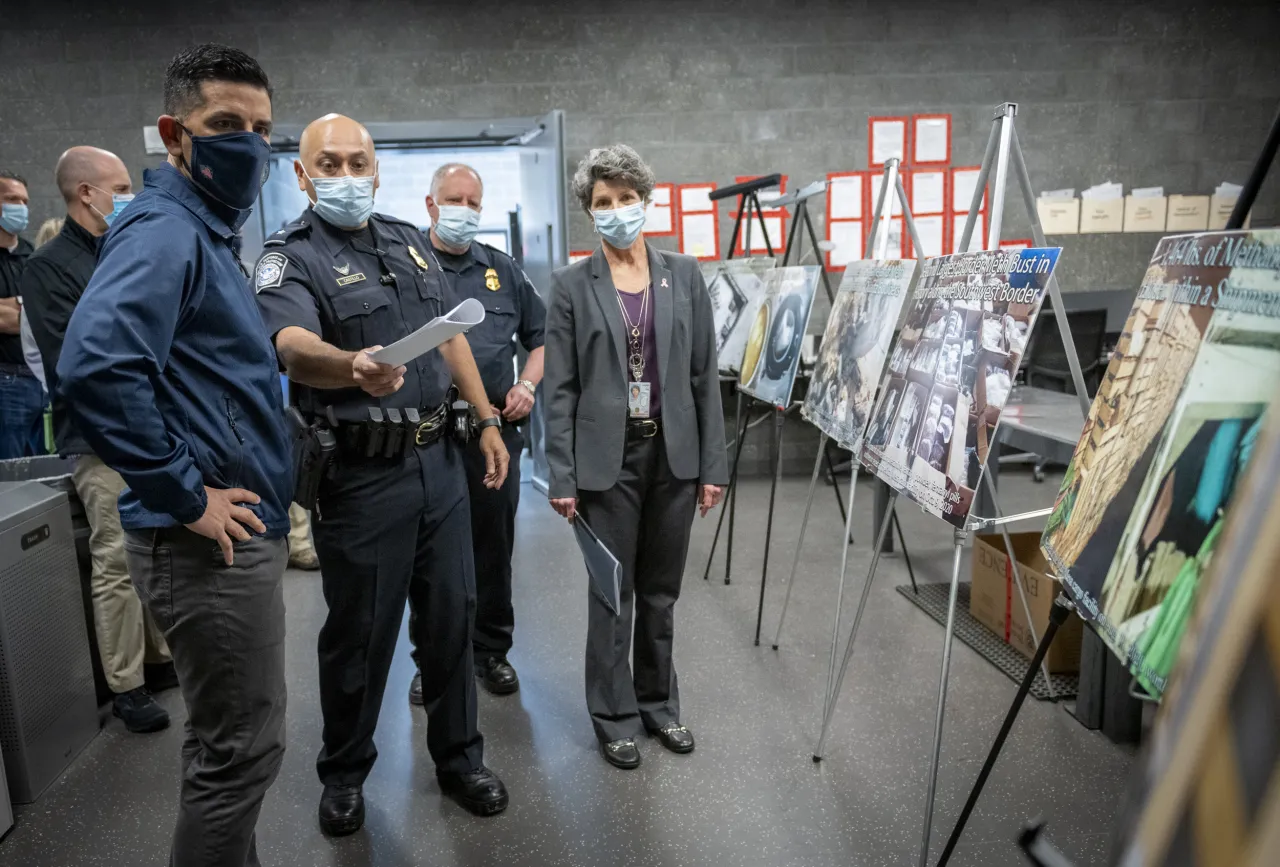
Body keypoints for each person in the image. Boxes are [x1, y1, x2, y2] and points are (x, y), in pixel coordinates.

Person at [57, 44, 292, 867]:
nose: (250, 145)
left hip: (226, 531)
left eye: (262, 128)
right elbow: (96, 363)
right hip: (205, 542)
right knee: (240, 755)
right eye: (226, 124)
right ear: (174, 136)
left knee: (231, 746)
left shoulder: (203, 232)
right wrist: (188, 494)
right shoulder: (165, 229)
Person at [253, 114, 510, 836]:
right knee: (361, 634)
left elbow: (451, 331)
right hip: (362, 479)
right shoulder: (290, 254)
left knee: (453, 619)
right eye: (327, 165)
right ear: (302, 177)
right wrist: (350, 365)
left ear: (376, 167)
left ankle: (460, 759)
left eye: (357, 162)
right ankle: (343, 771)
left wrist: (486, 417)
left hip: (439, 464)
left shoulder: (405, 241)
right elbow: (291, 344)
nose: (345, 176)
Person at [543, 144, 728, 769]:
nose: (617, 210)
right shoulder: (571, 285)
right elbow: (560, 386)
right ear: (589, 214)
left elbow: (705, 376)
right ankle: (614, 715)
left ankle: (659, 707)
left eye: (626, 198)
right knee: (611, 594)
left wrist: (713, 466)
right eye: (603, 202)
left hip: (673, 457)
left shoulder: (684, 272)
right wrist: (561, 475)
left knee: (659, 593)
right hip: (605, 463)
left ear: (645, 200)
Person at [22, 146, 173, 734]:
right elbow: (73, 362)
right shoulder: (50, 267)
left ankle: (159, 661)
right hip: (101, 437)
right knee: (115, 557)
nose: (129, 194)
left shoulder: (127, 250)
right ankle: (126, 682)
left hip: (153, 429)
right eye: (119, 185)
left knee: (155, 549)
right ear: (86, 192)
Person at [405, 162, 545, 704]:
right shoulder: (407, 265)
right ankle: (433, 661)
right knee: (431, 557)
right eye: (452, 199)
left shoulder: (503, 270)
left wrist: (528, 386)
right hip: (432, 438)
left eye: (472, 201)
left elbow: (540, 339)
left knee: (493, 547)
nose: (463, 209)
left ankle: (491, 652)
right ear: (430, 203)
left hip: (498, 437)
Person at [0, 170, 43, 459]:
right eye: (12, 199)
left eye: (25, 201)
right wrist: (27, 308)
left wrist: (17, 307)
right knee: (9, 480)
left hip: (37, 382)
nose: (21, 207)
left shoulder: (34, 254)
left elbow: (47, 314)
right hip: (4, 382)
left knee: (40, 475)